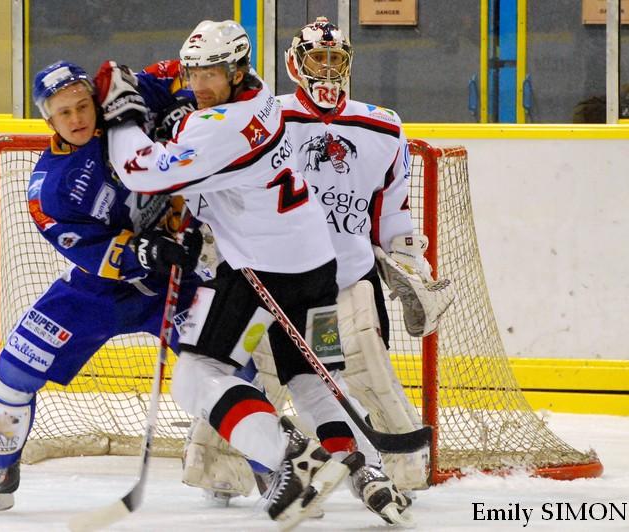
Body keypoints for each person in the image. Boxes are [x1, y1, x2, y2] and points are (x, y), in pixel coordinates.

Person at [176, 17, 456, 526]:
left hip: (329, 281)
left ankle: (373, 470)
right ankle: (229, 471)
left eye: (335, 58)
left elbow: (392, 213)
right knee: (277, 375)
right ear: (293, 64)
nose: (326, 68)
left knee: (334, 376)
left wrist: (407, 262)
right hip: (298, 278)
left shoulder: (379, 126)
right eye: (316, 58)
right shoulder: (269, 114)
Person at [100, 19, 370, 528]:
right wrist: (159, 86)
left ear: (237, 71)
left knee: (196, 376)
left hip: (262, 273)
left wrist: (122, 119)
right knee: (314, 379)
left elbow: (141, 171)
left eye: (211, 74)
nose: (198, 85)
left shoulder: (222, 127)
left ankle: (287, 456)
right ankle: (369, 471)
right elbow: (194, 120)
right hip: (315, 264)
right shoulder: (260, 96)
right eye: (193, 73)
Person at [0, 60, 204, 514]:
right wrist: (147, 250)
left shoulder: (124, 100)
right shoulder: (50, 189)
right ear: (49, 120)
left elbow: (189, 72)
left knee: (224, 367)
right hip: (98, 291)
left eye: (83, 106)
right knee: (15, 368)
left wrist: (183, 106)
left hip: (173, 280)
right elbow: (98, 255)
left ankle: (255, 463)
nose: (78, 118)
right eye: (64, 112)